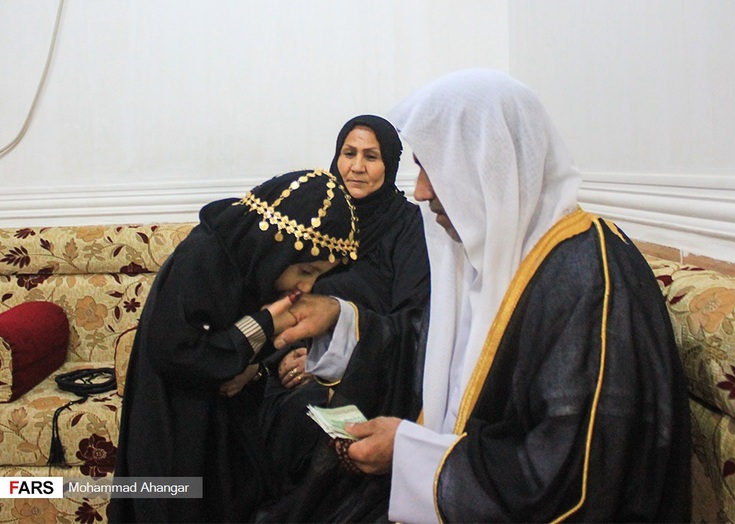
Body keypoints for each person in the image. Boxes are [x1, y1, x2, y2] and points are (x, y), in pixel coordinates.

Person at [272, 69, 692, 522]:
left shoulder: (588, 278)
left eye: (434, 168)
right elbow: (426, 348)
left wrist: (413, 454)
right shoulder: (500, 254)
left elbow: (573, 479)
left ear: (489, 165)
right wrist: (341, 320)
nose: (421, 191)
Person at [108, 169, 358, 523]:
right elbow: (175, 351)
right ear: (278, 245)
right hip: (178, 424)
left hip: (224, 426)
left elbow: (246, 358)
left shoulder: (252, 265)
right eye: (305, 270)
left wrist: (253, 369)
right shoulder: (204, 255)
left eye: (317, 275)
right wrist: (263, 325)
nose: (306, 286)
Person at [254, 115, 430, 513]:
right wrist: (285, 358)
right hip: (292, 369)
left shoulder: (408, 228)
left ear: (390, 165)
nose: (357, 167)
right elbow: (277, 298)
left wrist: (329, 359)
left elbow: (414, 319)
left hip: (373, 374)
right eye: (349, 153)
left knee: (316, 418)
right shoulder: (317, 219)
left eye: (371, 156)